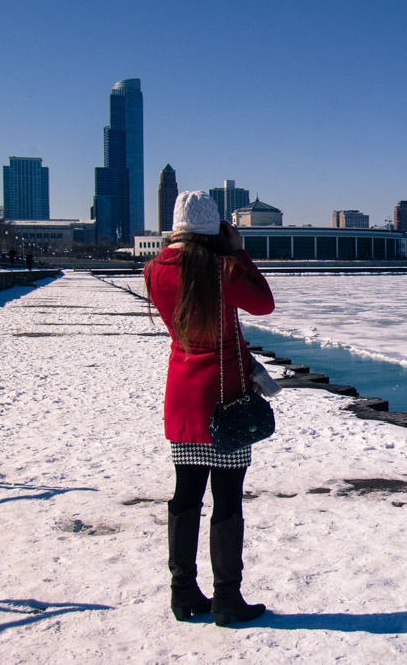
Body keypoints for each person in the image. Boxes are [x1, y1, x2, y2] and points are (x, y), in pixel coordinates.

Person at [144, 191, 275, 626]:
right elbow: (263, 303)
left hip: (182, 392)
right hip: (224, 396)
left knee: (185, 496)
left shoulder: (154, 270)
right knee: (227, 500)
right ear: (213, 227)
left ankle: (182, 592)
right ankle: (226, 598)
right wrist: (239, 252)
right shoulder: (221, 269)